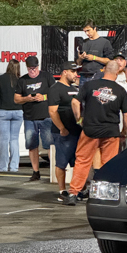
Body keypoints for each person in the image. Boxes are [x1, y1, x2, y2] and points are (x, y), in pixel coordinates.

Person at [65, 61, 127, 205]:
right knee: (109, 165)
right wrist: (124, 132)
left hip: (90, 130)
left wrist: (79, 119)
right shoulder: (120, 90)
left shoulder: (89, 85)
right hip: (111, 132)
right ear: (117, 72)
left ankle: (73, 194)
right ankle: (106, 195)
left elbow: (75, 102)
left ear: (104, 70)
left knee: (82, 161)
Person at [14, 56, 55, 182]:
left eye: (34, 68)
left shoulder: (46, 77)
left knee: (50, 145)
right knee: (32, 145)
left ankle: (54, 172)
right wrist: (27, 98)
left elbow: (55, 93)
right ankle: (35, 171)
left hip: (46, 117)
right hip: (29, 118)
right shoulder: (22, 80)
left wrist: (43, 97)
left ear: (38, 67)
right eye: (30, 69)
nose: (32, 71)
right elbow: (16, 99)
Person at [48, 62, 81, 202]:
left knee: (77, 162)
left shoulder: (74, 89)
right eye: (73, 71)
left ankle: (76, 190)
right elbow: (52, 111)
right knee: (61, 162)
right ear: (64, 72)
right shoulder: (55, 89)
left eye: (76, 72)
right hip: (63, 133)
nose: (76, 74)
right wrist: (62, 128)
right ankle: (62, 191)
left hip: (77, 131)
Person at [0, 59, 24, 173]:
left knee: (4, 140)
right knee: (14, 139)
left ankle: (3, 167)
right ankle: (14, 167)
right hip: (18, 111)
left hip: (3, 111)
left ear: (8, 66)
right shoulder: (21, 80)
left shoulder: (0, 79)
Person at [77, 21, 114, 87]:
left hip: (98, 74)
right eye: (85, 31)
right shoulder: (83, 42)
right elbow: (78, 63)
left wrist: (94, 58)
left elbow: (109, 61)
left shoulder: (105, 42)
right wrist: (80, 58)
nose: (87, 33)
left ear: (95, 28)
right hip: (84, 75)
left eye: (88, 30)